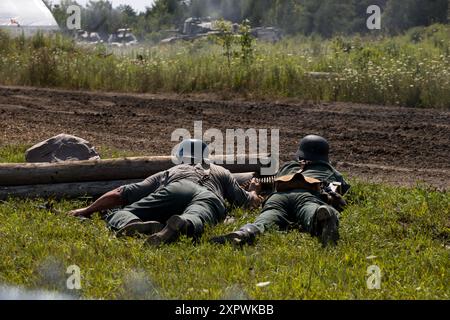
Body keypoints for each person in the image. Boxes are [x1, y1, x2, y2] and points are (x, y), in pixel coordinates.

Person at [68, 139, 262, 246]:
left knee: (118, 212)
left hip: (177, 187)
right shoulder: (222, 172)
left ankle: (131, 223)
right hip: (209, 196)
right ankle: (182, 224)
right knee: (197, 217)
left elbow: (121, 194)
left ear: (179, 157)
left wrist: (86, 210)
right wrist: (253, 190)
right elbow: (246, 202)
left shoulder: (170, 171)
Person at [210, 135, 350, 247]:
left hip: (279, 197)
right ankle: (322, 217)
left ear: (300, 154)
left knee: (265, 220)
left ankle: (245, 233)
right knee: (311, 211)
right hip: (307, 196)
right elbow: (342, 188)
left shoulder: (288, 166)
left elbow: (275, 180)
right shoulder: (330, 170)